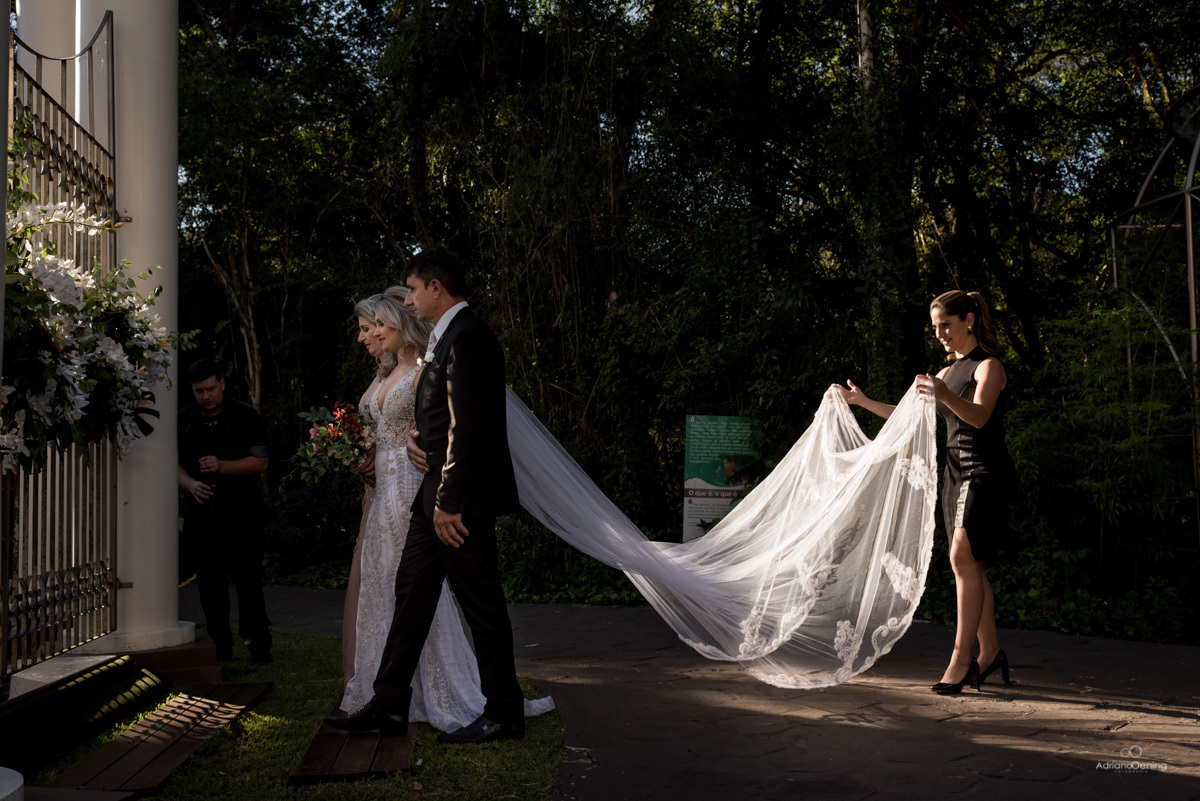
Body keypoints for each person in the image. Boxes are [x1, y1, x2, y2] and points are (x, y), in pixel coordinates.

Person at [326, 248, 529, 743]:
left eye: (414, 290)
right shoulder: (444, 338)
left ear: (436, 287)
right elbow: (443, 416)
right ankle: (390, 703)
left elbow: (470, 427)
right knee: (411, 594)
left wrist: (449, 503)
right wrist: (419, 440)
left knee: (482, 604)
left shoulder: (469, 336)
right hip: (432, 496)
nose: (408, 300)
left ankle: (504, 713)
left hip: (458, 503)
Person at [838, 290, 1013, 694]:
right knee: (971, 564)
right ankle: (990, 653)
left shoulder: (989, 366)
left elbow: (980, 417)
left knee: (961, 558)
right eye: (934, 328)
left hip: (984, 472)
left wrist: (945, 394)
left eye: (945, 325)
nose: (939, 334)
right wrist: (863, 402)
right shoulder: (946, 372)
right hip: (954, 473)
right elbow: (907, 418)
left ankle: (961, 660)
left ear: (969, 320)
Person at [177, 359, 272, 663]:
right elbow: (170, 462)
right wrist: (190, 484)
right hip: (200, 513)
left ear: (222, 383)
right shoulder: (184, 419)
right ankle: (220, 644)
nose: (205, 396)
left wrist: (222, 466)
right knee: (209, 583)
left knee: (248, 579)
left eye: (210, 389)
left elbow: (260, 462)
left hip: (241, 511)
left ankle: (258, 642)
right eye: (198, 391)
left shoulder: (244, 415)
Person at [342, 293, 386, 687]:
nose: (362, 337)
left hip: (398, 489)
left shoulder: (411, 371)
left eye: (366, 329)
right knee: (366, 578)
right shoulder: (381, 373)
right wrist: (363, 452)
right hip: (376, 492)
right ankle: (366, 673)